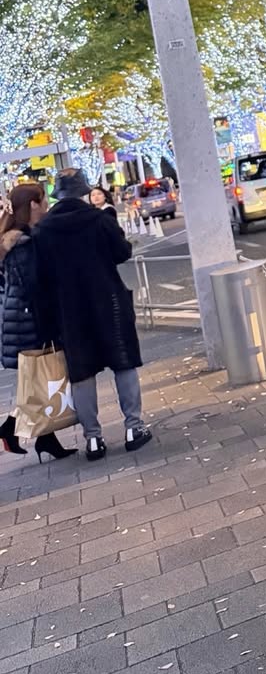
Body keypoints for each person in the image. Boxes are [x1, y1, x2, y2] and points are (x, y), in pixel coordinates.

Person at [32, 169, 152, 461]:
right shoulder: (98, 219)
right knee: (123, 361)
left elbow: (40, 279)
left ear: (57, 195)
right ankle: (133, 428)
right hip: (108, 301)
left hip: (68, 310)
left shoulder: (43, 230)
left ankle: (94, 439)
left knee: (81, 372)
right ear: (83, 191)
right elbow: (122, 252)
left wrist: (46, 322)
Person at [0, 184, 77, 462]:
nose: (46, 206)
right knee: (39, 379)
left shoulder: (14, 239)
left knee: (37, 381)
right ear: (33, 204)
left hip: (20, 318)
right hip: (30, 320)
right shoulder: (22, 242)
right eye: (43, 201)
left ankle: (43, 439)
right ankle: (11, 430)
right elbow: (33, 285)